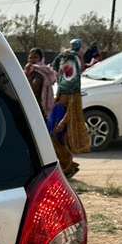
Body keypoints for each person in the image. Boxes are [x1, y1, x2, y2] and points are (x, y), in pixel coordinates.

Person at [50, 39, 91, 171]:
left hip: (64, 110)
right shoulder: (72, 60)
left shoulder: (67, 61)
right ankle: (66, 164)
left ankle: (66, 165)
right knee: (54, 137)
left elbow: (72, 110)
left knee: (59, 138)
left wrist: (62, 122)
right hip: (60, 107)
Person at [24, 47, 56, 118]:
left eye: (35, 57)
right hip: (29, 105)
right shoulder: (28, 70)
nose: (32, 60)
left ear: (41, 58)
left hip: (40, 106)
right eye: (30, 57)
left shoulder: (44, 72)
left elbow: (34, 87)